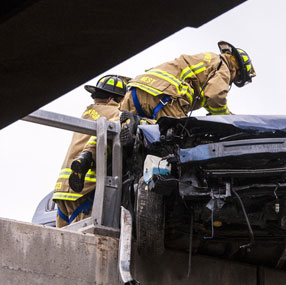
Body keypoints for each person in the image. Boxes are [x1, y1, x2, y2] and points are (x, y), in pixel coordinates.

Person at [119, 41, 256, 144]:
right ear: (238, 69)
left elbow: (208, 99)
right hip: (164, 96)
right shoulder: (224, 67)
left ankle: (133, 126)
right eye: (238, 78)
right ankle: (142, 124)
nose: (234, 81)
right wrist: (227, 118)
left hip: (136, 89)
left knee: (133, 143)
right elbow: (215, 96)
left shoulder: (208, 59)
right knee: (176, 137)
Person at [52, 75, 126, 227]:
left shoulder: (87, 113)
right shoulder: (114, 114)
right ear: (114, 99)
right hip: (84, 190)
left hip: (61, 191)